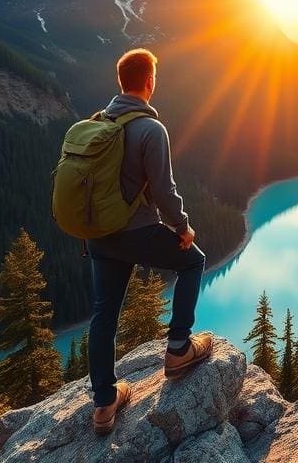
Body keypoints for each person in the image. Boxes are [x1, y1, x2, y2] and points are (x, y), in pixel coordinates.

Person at [87, 48, 211, 435]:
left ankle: (104, 405)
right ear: (149, 82)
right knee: (194, 261)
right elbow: (163, 190)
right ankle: (178, 349)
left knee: (103, 314)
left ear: (120, 81)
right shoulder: (150, 129)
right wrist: (183, 227)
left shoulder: (98, 124)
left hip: (99, 236)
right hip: (137, 232)